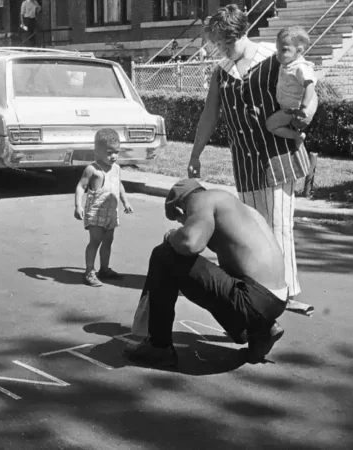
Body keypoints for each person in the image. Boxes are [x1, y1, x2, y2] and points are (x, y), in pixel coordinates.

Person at [187, 5, 315, 305]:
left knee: (280, 226)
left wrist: (305, 115)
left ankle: (286, 291)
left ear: (240, 34)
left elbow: (308, 86)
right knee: (256, 230)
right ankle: (263, 286)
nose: (222, 50)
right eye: (218, 45)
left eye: (225, 44)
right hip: (246, 161)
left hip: (279, 156)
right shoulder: (222, 71)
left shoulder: (274, 57)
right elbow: (209, 114)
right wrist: (195, 155)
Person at [123, 179, 288, 368]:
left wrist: (172, 235)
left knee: (164, 254)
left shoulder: (200, 201)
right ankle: (262, 329)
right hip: (276, 299)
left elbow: (190, 244)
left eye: (182, 221)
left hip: (252, 299)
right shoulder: (240, 208)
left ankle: (158, 347)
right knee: (216, 274)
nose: (185, 224)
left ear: (180, 210)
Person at [74, 128, 134, 287]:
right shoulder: (93, 169)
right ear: (97, 152)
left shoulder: (116, 168)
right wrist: (78, 205)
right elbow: (81, 186)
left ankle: (104, 269)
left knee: (108, 241)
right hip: (96, 214)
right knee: (95, 241)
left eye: (116, 152)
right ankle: (89, 271)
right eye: (109, 153)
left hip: (111, 213)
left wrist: (125, 201)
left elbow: (119, 185)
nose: (113, 156)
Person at [266, 26, 318, 148]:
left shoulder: (300, 67)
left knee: (270, 125)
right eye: (277, 50)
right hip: (288, 109)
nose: (278, 55)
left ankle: (296, 135)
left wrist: (304, 107)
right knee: (274, 124)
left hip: (296, 110)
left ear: (299, 51)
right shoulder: (287, 64)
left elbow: (310, 85)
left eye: (284, 50)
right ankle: (297, 136)